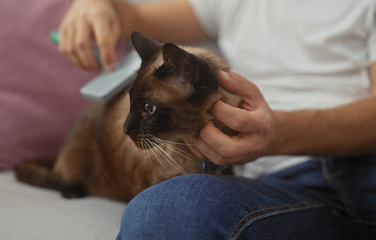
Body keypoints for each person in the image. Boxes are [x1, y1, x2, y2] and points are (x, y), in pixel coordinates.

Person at [58, 0, 376, 239]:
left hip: (361, 170)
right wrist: (98, 4)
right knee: (164, 210)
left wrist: (278, 134)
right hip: (277, 186)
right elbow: (134, 18)